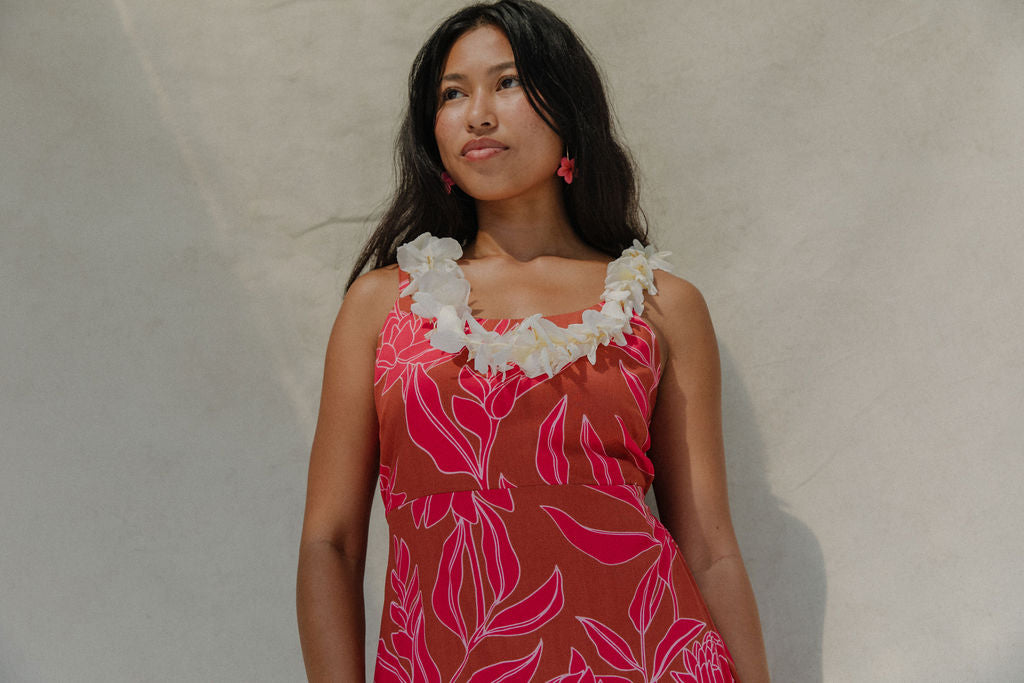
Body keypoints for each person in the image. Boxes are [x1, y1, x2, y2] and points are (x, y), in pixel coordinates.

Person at [296, 1, 770, 680]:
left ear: (569, 110)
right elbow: (330, 543)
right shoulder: (382, 305)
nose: (477, 113)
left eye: (508, 82)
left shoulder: (662, 305)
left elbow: (711, 549)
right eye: (452, 93)